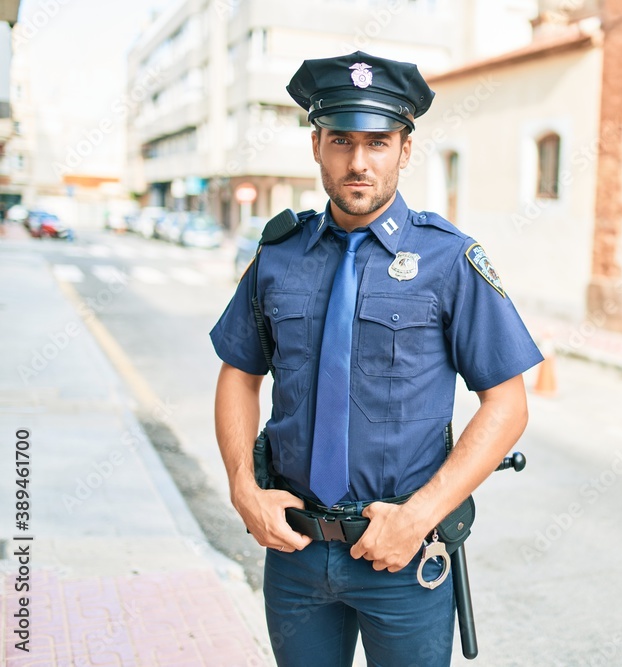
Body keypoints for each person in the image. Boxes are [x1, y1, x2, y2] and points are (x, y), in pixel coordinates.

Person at [210, 51, 543, 666]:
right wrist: (242, 489)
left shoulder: (449, 261)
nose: (358, 162)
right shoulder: (279, 256)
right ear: (316, 146)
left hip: (402, 556)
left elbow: (507, 404)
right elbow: (238, 373)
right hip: (294, 552)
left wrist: (419, 517)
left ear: (405, 150)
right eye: (341, 140)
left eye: (378, 142)